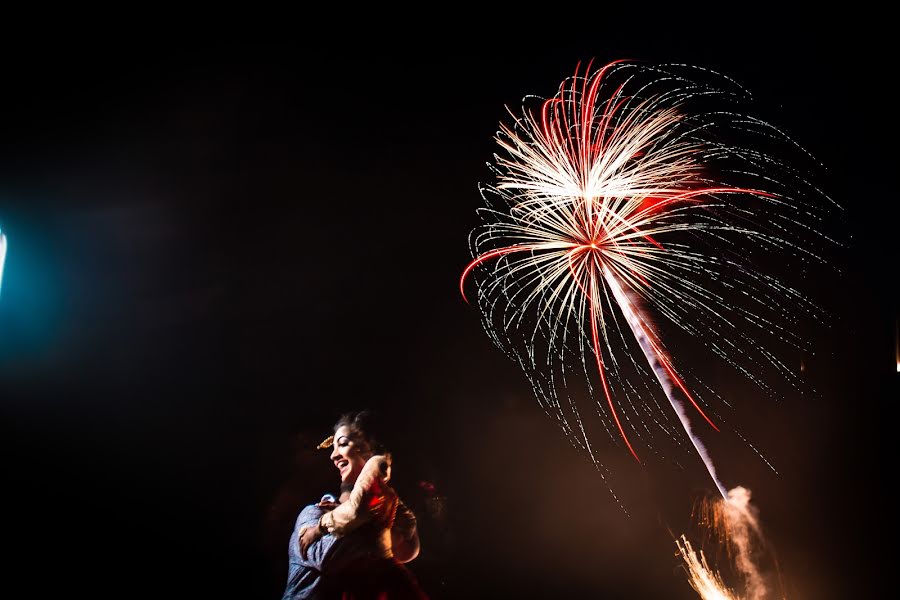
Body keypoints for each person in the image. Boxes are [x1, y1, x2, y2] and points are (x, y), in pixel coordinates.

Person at [281, 410, 428, 600]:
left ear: (368, 448)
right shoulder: (313, 512)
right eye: (333, 447)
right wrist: (383, 534)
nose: (333, 456)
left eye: (342, 444)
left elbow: (409, 548)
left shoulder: (385, 495)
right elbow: (334, 556)